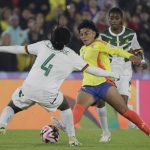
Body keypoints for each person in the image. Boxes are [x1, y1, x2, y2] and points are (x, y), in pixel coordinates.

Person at [0, 26, 119, 146]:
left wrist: (1, 48)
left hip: (28, 88)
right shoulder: (72, 56)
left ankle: (2, 124)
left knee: (12, 106)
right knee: (65, 107)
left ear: (52, 37)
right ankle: (72, 139)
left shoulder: (43, 44)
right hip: (48, 94)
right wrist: (110, 73)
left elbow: (19, 49)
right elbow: (93, 70)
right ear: (67, 41)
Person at [52, 20, 150, 142]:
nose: (83, 36)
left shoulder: (100, 44)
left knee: (124, 111)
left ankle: (148, 131)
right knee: (78, 108)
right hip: (88, 86)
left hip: (104, 84)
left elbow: (117, 51)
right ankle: (66, 126)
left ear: (94, 33)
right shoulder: (82, 49)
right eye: (81, 34)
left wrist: (131, 57)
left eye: (86, 33)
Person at [98, 7, 148, 142]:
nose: (113, 20)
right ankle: (105, 133)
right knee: (100, 101)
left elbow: (137, 49)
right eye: (111, 18)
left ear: (121, 20)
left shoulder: (131, 34)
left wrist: (142, 61)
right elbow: (99, 52)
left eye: (116, 18)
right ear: (108, 19)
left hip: (125, 70)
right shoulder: (103, 35)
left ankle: (129, 109)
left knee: (122, 106)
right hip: (109, 70)